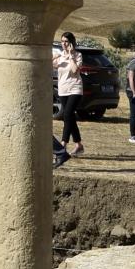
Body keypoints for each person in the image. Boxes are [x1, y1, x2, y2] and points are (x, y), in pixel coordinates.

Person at [52, 31, 85, 169]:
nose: (64, 44)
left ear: (71, 42)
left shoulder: (77, 55)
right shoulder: (60, 56)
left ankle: (63, 144)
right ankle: (78, 145)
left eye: (66, 41)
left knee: (67, 115)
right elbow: (49, 67)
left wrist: (71, 56)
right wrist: (53, 59)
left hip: (75, 89)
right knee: (70, 117)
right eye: (62, 41)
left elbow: (75, 70)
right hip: (63, 90)